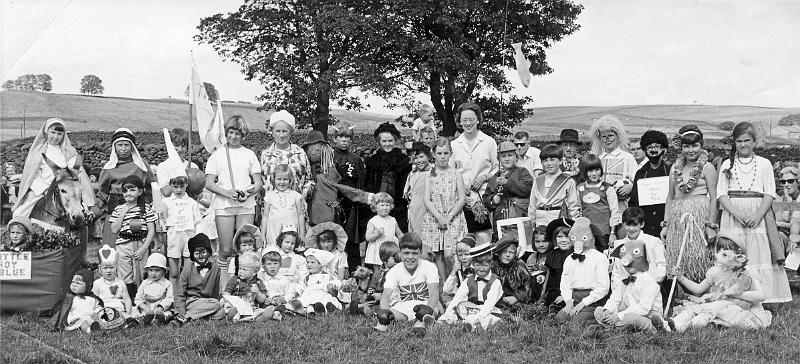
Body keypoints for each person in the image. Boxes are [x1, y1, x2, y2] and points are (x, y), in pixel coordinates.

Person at [717, 122, 791, 304]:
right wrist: (738, 214)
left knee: (759, 252)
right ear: (734, 142)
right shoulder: (727, 164)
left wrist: (758, 215)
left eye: (747, 140)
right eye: (739, 141)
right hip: (734, 215)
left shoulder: (764, 164)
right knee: (734, 251)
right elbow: (721, 194)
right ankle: (731, 296)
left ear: (754, 141)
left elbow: (770, 192)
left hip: (758, 214)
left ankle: (762, 296)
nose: (743, 145)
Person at [205, 115, 263, 291]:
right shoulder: (217, 155)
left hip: (246, 204)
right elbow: (209, 183)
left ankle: (246, 286)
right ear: (226, 133)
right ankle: (224, 289)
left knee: (245, 248)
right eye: (231, 132)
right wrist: (227, 193)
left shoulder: (249, 154)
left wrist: (248, 192)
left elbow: (258, 183)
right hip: (224, 205)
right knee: (225, 250)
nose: (234, 136)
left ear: (243, 134)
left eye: (238, 133)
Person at [668, 233, 772, 331]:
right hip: (718, 308)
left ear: (738, 257)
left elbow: (760, 296)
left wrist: (732, 293)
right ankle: (672, 324)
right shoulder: (716, 272)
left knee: (712, 308)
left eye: (724, 254)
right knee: (698, 310)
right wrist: (681, 278)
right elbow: (698, 289)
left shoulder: (745, 274)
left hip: (739, 310)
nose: (717, 255)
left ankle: (688, 326)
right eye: (718, 251)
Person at [661, 125, 719, 283]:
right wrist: (666, 224)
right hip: (678, 217)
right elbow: (670, 197)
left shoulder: (707, 168)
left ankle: (700, 294)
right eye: (686, 146)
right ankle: (681, 297)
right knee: (680, 256)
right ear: (681, 147)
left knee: (699, 256)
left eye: (695, 145)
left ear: (701, 145)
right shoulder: (675, 168)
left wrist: (711, 225)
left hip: (699, 217)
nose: (691, 150)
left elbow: (714, 198)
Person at [13, 118, 94, 219]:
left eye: (59, 134)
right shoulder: (38, 152)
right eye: (53, 132)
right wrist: (45, 189)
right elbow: (33, 175)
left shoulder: (70, 152)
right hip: (42, 191)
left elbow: (75, 173)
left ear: (64, 135)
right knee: (19, 214)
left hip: (65, 190)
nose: (55, 137)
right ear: (47, 132)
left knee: (81, 215)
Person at [95, 128, 154, 246]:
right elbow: (102, 194)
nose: (123, 149)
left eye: (126, 145)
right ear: (114, 147)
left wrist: (148, 206)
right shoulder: (108, 168)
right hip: (115, 211)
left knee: (135, 246)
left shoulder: (141, 166)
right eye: (119, 145)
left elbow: (152, 187)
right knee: (110, 248)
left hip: (138, 212)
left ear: (132, 146)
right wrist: (94, 210)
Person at [421, 138, 468, 283]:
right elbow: (427, 200)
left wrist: (449, 216)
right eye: (439, 153)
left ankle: (456, 281)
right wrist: (439, 217)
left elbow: (461, 199)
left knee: (450, 253)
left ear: (450, 154)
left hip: (452, 218)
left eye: (446, 153)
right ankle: (445, 284)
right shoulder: (429, 174)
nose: (442, 156)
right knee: (437, 254)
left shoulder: (456, 174)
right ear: (433, 154)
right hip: (434, 218)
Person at [594, 239, 665, 333]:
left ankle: (654, 328)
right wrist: (607, 310)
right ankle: (615, 327)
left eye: (632, 263)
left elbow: (643, 309)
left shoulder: (649, 281)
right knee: (599, 311)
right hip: (627, 312)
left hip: (647, 316)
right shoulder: (623, 280)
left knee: (631, 319)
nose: (628, 266)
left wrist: (618, 316)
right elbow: (615, 299)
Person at [376, 233, 439, 332]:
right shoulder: (394, 271)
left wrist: (428, 310)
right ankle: (380, 327)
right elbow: (386, 295)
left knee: (433, 311)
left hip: (425, 304)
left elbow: (434, 293)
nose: (410, 257)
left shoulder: (429, 267)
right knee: (391, 314)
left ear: (420, 253)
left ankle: (421, 324)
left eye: (414, 253)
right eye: (406, 253)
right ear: (400, 253)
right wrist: (385, 312)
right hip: (403, 307)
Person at [450, 102, 498, 233]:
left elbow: (497, 167)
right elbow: (450, 171)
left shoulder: (489, 142)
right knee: (464, 236)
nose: (468, 123)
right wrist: (460, 184)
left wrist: (484, 177)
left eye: (471, 119)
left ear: (478, 120)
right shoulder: (454, 145)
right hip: (461, 198)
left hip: (483, 196)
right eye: (464, 120)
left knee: (484, 235)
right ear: (459, 122)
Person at [109, 175, 157, 298]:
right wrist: (123, 213)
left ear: (140, 191)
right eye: (125, 190)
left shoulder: (145, 208)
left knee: (141, 272)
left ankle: (141, 299)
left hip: (141, 244)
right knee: (125, 274)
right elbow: (114, 229)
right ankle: (128, 299)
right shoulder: (118, 209)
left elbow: (151, 230)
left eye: (132, 189)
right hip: (123, 245)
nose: (128, 193)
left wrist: (144, 248)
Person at [555, 217, 610, 325]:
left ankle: (597, 321)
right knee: (559, 319)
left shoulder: (599, 258)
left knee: (577, 322)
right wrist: (568, 301)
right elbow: (565, 284)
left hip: (593, 299)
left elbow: (603, 287)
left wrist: (583, 303)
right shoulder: (570, 259)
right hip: (575, 297)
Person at [438, 243, 504, 330]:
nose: (481, 269)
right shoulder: (468, 281)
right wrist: (448, 313)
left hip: (491, 311)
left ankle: (472, 326)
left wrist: (475, 318)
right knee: (453, 314)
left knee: (487, 320)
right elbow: (457, 299)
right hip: (472, 309)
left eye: (485, 265)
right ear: (473, 264)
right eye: (477, 265)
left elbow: (488, 306)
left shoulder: (495, 282)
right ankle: (442, 322)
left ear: (491, 264)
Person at [331, 122, 367, 269]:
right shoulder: (329, 157)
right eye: (341, 137)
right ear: (335, 139)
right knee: (334, 238)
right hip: (334, 203)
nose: (344, 140)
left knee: (351, 240)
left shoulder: (356, 159)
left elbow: (361, 181)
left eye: (347, 137)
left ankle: (355, 273)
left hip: (352, 204)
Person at [589, 115, 638, 222]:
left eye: (610, 135)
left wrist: (630, 187)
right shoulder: (597, 158)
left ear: (617, 136)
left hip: (622, 208)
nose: (608, 140)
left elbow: (637, 180)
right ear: (599, 138)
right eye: (604, 136)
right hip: (601, 208)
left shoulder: (627, 158)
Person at [365, 122, 412, 231]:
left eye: (390, 141)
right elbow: (368, 184)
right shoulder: (373, 161)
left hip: (398, 207)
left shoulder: (404, 161)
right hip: (377, 206)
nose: (387, 144)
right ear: (379, 142)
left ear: (395, 140)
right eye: (384, 141)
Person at [172, 233, 226, 326]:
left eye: (204, 253)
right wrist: (180, 311)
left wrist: (220, 300)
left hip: (208, 302)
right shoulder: (187, 269)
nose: (201, 257)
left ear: (209, 253)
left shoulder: (216, 268)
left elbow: (216, 291)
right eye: (197, 254)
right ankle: (184, 317)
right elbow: (180, 293)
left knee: (221, 311)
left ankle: (188, 319)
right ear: (192, 255)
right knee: (216, 305)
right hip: (191, 302)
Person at [611, 207, 667, 294]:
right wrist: (617, 293)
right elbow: (617, 273)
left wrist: (647, 281)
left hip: (649, 290)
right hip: (626, 292)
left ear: (642, 224)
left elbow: (662, 267)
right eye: (628, 225)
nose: (631, 229)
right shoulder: (620, 245)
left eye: (634, 225)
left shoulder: (654, 242)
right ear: (623, 224)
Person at [162, 172, 202, 290]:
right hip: (174, 236)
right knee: (174, 271)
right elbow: (163, 218)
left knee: (187, 270)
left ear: (186, 185)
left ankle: (186, 294)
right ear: (171, 185)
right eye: (175, 186)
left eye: (181, 186)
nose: (179, 190)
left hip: (189, 236)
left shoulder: (192, 203)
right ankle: (173, 296)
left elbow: (197, 221)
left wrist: (198, 237)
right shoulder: (167, 202)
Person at [260, 110, 313, 198]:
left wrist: (302, 197)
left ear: (291, 132)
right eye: (277, 131)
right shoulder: (266, 154)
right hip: (272, 208)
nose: (281, 135)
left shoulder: (300, 153)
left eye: (284, 131)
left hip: (296, 208)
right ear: (272, 132)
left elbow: (309, 180)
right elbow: (262, 182)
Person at [629, 130, 672, 237]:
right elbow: (634, 202)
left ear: (664, 149)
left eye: (657, 146)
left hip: (667, 225)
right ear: (645, 150)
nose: (653, 150)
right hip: (646, 227)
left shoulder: (671, 170)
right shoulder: (640, 173)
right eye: (649, 147)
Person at [527, 144, 581, 227]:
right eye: (545, 160)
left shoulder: (568, 181)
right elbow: (532, 205)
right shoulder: (538, 180)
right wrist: (531, 221)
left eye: (552, 160)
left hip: (558, 218)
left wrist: (574, 224)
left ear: (560, 161)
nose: (549, 163)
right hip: (540, 220)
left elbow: (573, 205)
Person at [576, 154, 620, 251]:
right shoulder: (580, 188)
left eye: (597, 170)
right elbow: (578, 210)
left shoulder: (608, 188)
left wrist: (613, 233)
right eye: (590, 171)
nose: (594, 173)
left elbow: (614, 211)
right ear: (585, 172)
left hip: (604, 233)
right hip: (586, 232)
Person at [484, 141, 533, 224]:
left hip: (519, 219)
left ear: (516, 157)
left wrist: (507, 182)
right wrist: (492, 200)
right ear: (499, 159)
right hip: (500, 221)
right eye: (503, 156)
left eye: (510, 155)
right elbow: (485, 199)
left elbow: (526, 189)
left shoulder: (523, 172)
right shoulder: (495, 177)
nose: (507, 159)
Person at [261, 164, 305, 246]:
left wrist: (302, 234)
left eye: (285, 179)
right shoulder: (269, 197)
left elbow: (300, 216)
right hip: (274, 231)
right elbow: (265, 217)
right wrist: (263, 235)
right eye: (279, 179)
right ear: (274, 180)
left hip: (291, 232)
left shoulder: (296, 196)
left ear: (290, 180)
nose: (282, 182)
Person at [291, 248, 343, 314]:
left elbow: (335, 286)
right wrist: (298, 292)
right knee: (303, 299)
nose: (309, 265)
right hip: (310, 294)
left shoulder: (328, 276)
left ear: (321, 264)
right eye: (307, 262)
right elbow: (303, 287)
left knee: (325, 299)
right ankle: (304, 308)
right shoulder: (307, 278)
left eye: (312, 262)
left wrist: (331, 287)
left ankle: (322, 308)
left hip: (322, 294)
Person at [221, 252, 271, 321]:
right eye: (240, 268)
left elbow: (262, 300)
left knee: (258, 310)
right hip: (236, 304)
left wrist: (258, 293)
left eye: (244, 269)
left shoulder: (259, 282)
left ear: (254, 272)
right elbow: (226, 293)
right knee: (229, 307)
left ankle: (255, 317)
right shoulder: (235, 280)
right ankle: (235, 315)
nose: (240, 271)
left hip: (251, 307)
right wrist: (229, 300)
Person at [52, 268, 104, 333]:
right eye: (72, 282)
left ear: (88, 285)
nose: (74, 285)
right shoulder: (70, 298)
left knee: (96, 322)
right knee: (83, 323)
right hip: (77, 320)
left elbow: (99, 307)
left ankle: (96, 327)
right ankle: (90, 331)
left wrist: (98, 313)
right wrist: (71, 320)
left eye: (78, 283)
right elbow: (66, 312)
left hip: (91, 318)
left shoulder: (93, 298)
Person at [365, 192, 404, 271]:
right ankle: (379, 282)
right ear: (375, 206)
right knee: (379, 271)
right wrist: (377, 234)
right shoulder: (373, 221)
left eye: (387, 205)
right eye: (382, 205)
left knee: (393, 269)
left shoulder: (393, 220)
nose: (385, 208)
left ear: (391, 206)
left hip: (391, 248)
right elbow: (368, 237)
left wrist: (405, 240)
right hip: (378, 250)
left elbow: (399, 233)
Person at [492, 236, 531, 312]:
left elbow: (527, 286)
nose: (507, 255)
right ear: (499, 253)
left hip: (517, 300)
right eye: (504, 251)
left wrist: (516, 297)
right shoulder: (494, 266)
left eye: (511, 252)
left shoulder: (520, 266)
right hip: (498, 299)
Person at [133, 253, 173, 325]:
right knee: (137, 314)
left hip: (160, 309)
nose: (153, 273)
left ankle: (160, 319)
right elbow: (138, 299)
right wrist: (146, 309)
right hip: (146, 309)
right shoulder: (145, 283)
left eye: (157, 270)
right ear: (147, 270)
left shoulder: (167, 284)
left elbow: (169, 299)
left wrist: (160, 308)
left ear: (164, 271)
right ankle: (144, 320)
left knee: (167, 314)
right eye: (151, 270)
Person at [93, 244, 133, 316]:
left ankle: (129, 320)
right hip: (104, 308)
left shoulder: (120, 283)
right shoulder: (97, 283)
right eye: (105, 268)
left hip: (118, 308)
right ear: (100, 270)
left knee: (122, 314)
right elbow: (94, 300)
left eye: (111, 267)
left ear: (116, 269)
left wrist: (128, 311)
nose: (108, 271)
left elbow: (127, 299)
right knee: (109, 315)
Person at [543, 218, 574, 307]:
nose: (563, 240)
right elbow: (552, 278)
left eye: (567, 236)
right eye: (559, 236)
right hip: (556, 291)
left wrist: (565, 296)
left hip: (572, 293)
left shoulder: (577, 255)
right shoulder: (553, 255)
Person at [441, 234, 477, 306]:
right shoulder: (459, 268)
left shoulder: (477, 267)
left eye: (467, 254)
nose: (463, 258)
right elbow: (446, 290)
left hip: (475, 297)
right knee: (443, 295)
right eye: (460, 255)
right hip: (460, 297)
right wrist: (454, 271)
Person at [404, 141, 432, 234]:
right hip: (415, 210)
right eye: (415, 158)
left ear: (428, 156)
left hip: (429, 211)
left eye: (421, 156)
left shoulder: (433, 173)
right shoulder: (412, 174)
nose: (419, 160)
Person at [258, 250, 293, 321]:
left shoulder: (284, 279)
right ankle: (271, 314)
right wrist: (265, 300)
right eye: (269, 264)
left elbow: (290, 292)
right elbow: (260, 294)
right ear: (263, 266)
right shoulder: (262, 280)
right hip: (267, 304)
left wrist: (284, 299)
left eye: (275, 263)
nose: (272, 266)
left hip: (281, 302)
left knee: (289, 306)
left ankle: (279, 313)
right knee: (265, 308)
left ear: (280, 265)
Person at [775, 166, 800, 261]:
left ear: (797, 182)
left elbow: (780, 223)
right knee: (776, 236)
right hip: (785, 237)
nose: (786, 184)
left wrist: (781, 224)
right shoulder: (779, 200)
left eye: (790, 181)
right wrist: (787, 201)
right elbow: (776, 221)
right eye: (783, 182)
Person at [526, 225, 553, 302]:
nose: (541, 245)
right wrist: (527, 271)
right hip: (535, 296)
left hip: (550, 294)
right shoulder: (532, 258)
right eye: (537, 241)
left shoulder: (555, 257)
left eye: (544, 241)